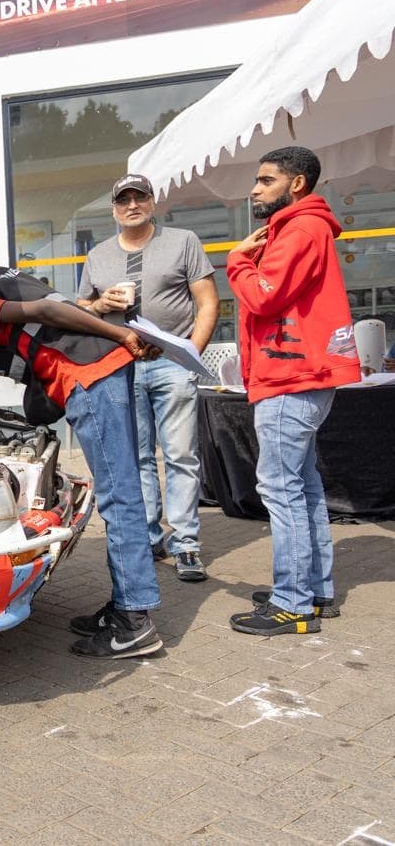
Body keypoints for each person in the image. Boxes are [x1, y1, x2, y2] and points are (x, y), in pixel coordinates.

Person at [0, 268, 165, 659]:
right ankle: (125, 604)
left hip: (86, 373)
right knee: (120, 489)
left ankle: (133, 622)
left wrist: (121, 334)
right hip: (101, 364)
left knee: (118, 493)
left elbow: (46, 310)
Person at [224, 146, 361, 636]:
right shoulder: (301, 228)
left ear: (296, 183)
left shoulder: (300, 228)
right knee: (301, 487)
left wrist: (236, 261)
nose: (255, 190)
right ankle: (313, 592)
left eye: (266, 180)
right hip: (298, 375)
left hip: (291, 376)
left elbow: (263, 296)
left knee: (282, 490)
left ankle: (293, 603)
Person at [78, 173, 218, 583]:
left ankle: (186, 543)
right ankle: (151, 537)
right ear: (114, 208)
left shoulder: (183, 241)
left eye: (140, 197)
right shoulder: (98, 255)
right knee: (136, 457)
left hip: (171, 363)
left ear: (153, 202)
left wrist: (191, 354)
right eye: (124, 200)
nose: (132, 205)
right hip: (120, 364)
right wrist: (99, 304)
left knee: (180, 455)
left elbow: (208, 303)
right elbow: (81, 308)